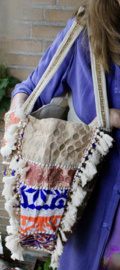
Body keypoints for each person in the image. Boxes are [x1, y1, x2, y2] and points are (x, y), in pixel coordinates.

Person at [10, 0, 120, 269]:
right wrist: (17, 116)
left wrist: (114, 117)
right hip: (85, 205)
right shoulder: (83, 32)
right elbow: (31, 89)